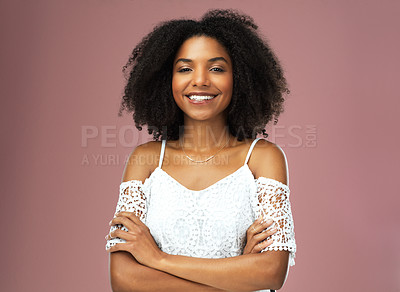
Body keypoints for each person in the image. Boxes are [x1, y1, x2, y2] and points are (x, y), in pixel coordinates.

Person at [105, 9, 296, 292]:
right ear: (165, 80)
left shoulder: (262, 158)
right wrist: (237, 276)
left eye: (216, 68)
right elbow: (123, 280)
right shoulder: (145, 161)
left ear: (240, 78)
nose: (200, 81)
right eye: (185, 68)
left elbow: (271, 272)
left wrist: (157, 258)